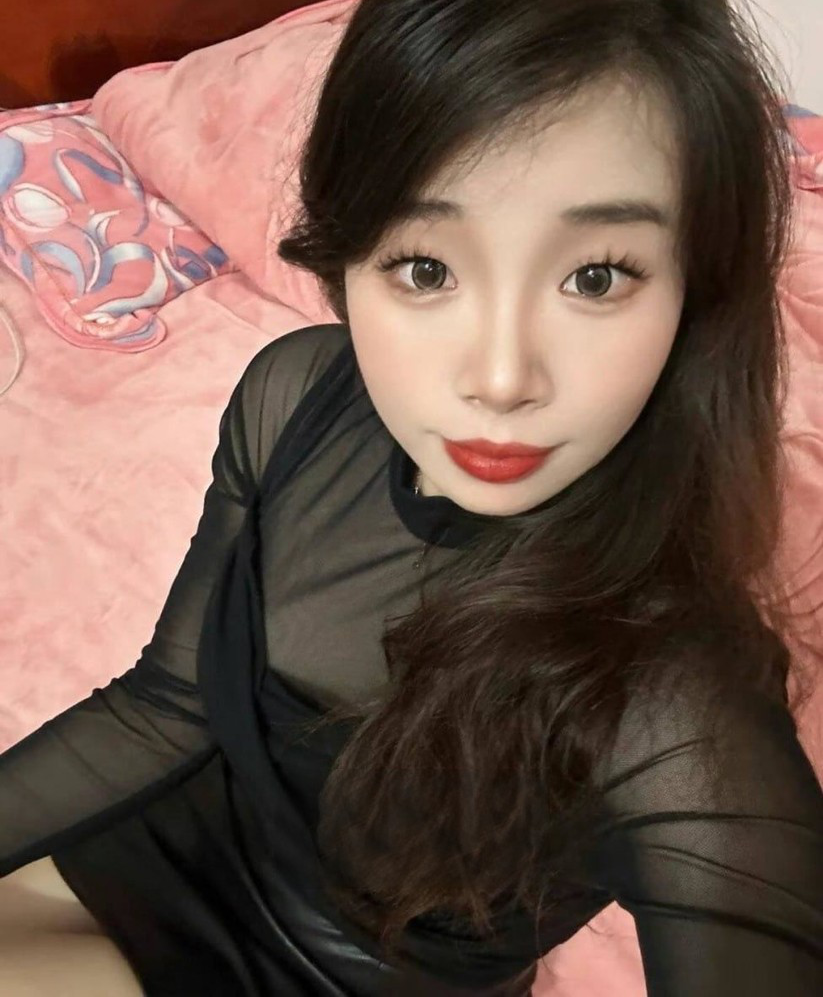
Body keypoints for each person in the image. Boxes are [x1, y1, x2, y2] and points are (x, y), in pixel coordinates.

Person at [1, 0, 822, 993]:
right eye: (425, 268)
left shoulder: (673, 696)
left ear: (694, 290)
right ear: (346, 259)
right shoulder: (295, 394)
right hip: (145, 851)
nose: (501, 377)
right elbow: (165, 706)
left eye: (597, 277)